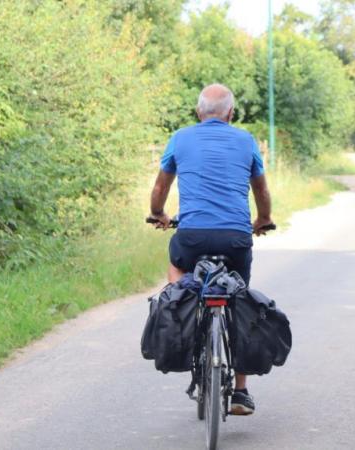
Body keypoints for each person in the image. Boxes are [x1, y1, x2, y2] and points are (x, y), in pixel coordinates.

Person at [148, 83, 274, 416]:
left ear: (198, 113)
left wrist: (159, 214)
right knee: (239, 296)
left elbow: (161, 185)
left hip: (191, 236)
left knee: (177, 265)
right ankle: (241, 393)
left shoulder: (180, 137)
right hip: (235, 237)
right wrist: (263, 220)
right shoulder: (246, 141)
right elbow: (260, 189)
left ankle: (182, 301)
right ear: (231, 114)